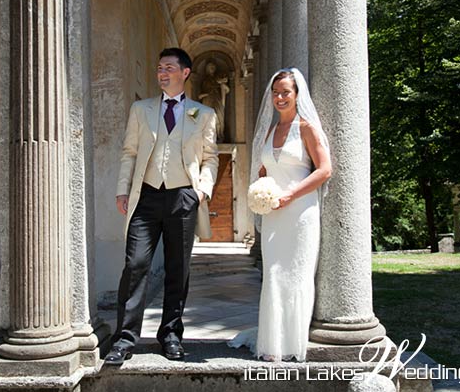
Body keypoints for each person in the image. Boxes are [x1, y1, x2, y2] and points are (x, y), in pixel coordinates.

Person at [104, 48, 219, 365]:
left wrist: (202, 191)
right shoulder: (141, 109)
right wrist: (122, 189)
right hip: (146, 196)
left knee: (177, 270)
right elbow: (129, 152)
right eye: (159, 68)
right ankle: (125, 339)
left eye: (169, 67)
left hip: (183, 196)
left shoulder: (203, 114)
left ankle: (170, 335)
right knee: (136, 264)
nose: (162, 73)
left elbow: (210, 158)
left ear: (185, 72)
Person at [228, 68, 332, 362]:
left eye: (286, 92)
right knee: (273, 275)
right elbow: (265, 168)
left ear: (298, 95)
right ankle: (272, 343)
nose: (280, 97)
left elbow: (324, 170)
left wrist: (291, 194)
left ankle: (292, 343)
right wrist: (262, 185)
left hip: (299, 212)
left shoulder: (307, 128)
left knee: (296, 275)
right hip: (274, 213)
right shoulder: (271, 131)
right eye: (276, 92)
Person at [198, 61, 230, 142]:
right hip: (208, 101)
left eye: (213, 66)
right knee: (209, 118)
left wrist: (222, 83)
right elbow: (201, 93)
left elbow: (226, 88)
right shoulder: (206, 80)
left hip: (217, 100)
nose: (212, 68)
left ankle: (219, 135)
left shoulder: (217, 79)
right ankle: (209, 136)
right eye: (210, 66)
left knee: (219, 117)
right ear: (207, 69)